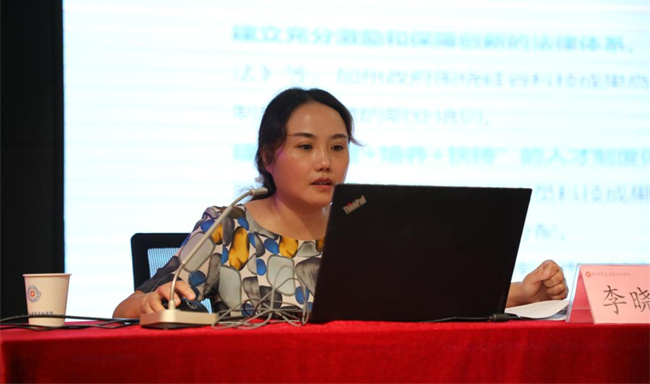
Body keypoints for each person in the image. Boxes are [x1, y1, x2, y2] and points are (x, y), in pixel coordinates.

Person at [113, 87, 568, 319]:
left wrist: (524, 293)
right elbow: (125, 309)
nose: (325, 162)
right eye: (305, 146)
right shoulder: (230, 224)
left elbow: (431, 301)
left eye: (337, 147)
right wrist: (151, 303)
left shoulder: (365, 226)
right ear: (269, 156)